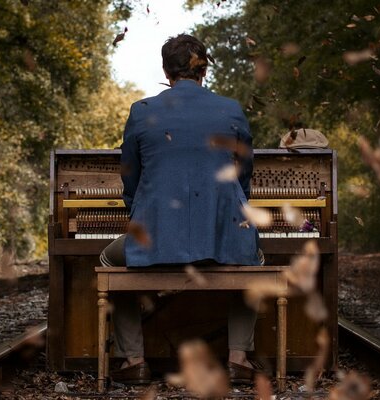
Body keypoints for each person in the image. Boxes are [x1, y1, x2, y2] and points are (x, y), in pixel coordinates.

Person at [100, 33, 264, 385]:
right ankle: (238, 358)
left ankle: (134, 360)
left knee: (108, 260)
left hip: (156, 236)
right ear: (204, 70)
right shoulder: (231, 109)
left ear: (165, 70)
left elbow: (130, 178)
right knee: (253, 257)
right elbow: (244, 176)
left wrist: (142, 213)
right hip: (221, 234)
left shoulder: (142, 112)